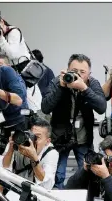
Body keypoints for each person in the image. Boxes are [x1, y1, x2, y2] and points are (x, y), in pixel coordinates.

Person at [41, 54, 106, 189]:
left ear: (89, 74)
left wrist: (84, 89)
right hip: (60, 137)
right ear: (67, 69)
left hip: (83, 137)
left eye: (83, 72)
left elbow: (101, 107)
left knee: (88, 172)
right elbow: (45, 108)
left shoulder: (92, 83)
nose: (78, 75)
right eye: (74, 71)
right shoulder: (57, 82)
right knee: (58, 175)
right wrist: (61, 86)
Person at [0, 11, 43, 114]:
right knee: (14, 102)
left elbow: (12, 54)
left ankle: (35, 118)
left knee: (29, 102)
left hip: (24, 71)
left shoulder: (14, 31)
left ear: (2, 21)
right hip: (11, 72)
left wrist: (1, 38)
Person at [1, 118, 59, 190]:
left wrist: (33, 157)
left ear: (47, 141)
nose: (32, 140)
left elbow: (45, 184)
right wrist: (11, 148)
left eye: (37, 137)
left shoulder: (51, 153)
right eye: (31, 135)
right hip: (16, 188)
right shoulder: (19, 142)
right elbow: (4, 167)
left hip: (38, 192)